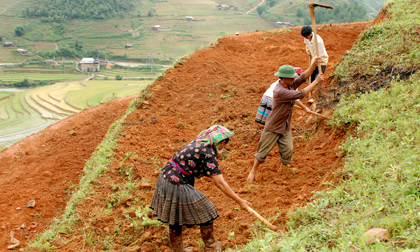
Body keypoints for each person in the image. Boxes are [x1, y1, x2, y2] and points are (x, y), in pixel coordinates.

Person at [150, 125, 250, 251]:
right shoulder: (208, 153)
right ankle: (211, 246)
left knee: (175, 217)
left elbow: (201, 170)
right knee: (207, 210)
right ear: (222, 142)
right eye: (224, 145)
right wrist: (240, 201)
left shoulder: (199, 142)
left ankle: (178, 250)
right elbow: (220, 183)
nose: (223, 148)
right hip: (176, 182)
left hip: (165, 177)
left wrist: (217, 177)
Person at [247, 57, 324, 184]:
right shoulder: (280, 90)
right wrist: (316, 81)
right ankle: (253, 171)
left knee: (288, 150)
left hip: (285, 125)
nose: (294, 79)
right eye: (291, 77)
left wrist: (314, 63)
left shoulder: (289, 84)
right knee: (262, 152)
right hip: (273, 126)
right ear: (283, 78)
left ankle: (284, 169)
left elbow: (303, 77)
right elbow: (301, 94)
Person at [301, 25, 328, 100]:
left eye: (306, 36)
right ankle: (312, 96)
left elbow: (317, 56)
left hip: (321, 60)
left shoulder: (318, 41)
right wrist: (308, 51)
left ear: (310, 33)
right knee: (312, 78)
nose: (305, 38)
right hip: (314, 58)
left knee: (318, 78)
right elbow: (306, 45)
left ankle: (317, 98)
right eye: (304, 36)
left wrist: (312, 66)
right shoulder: (306, 38)